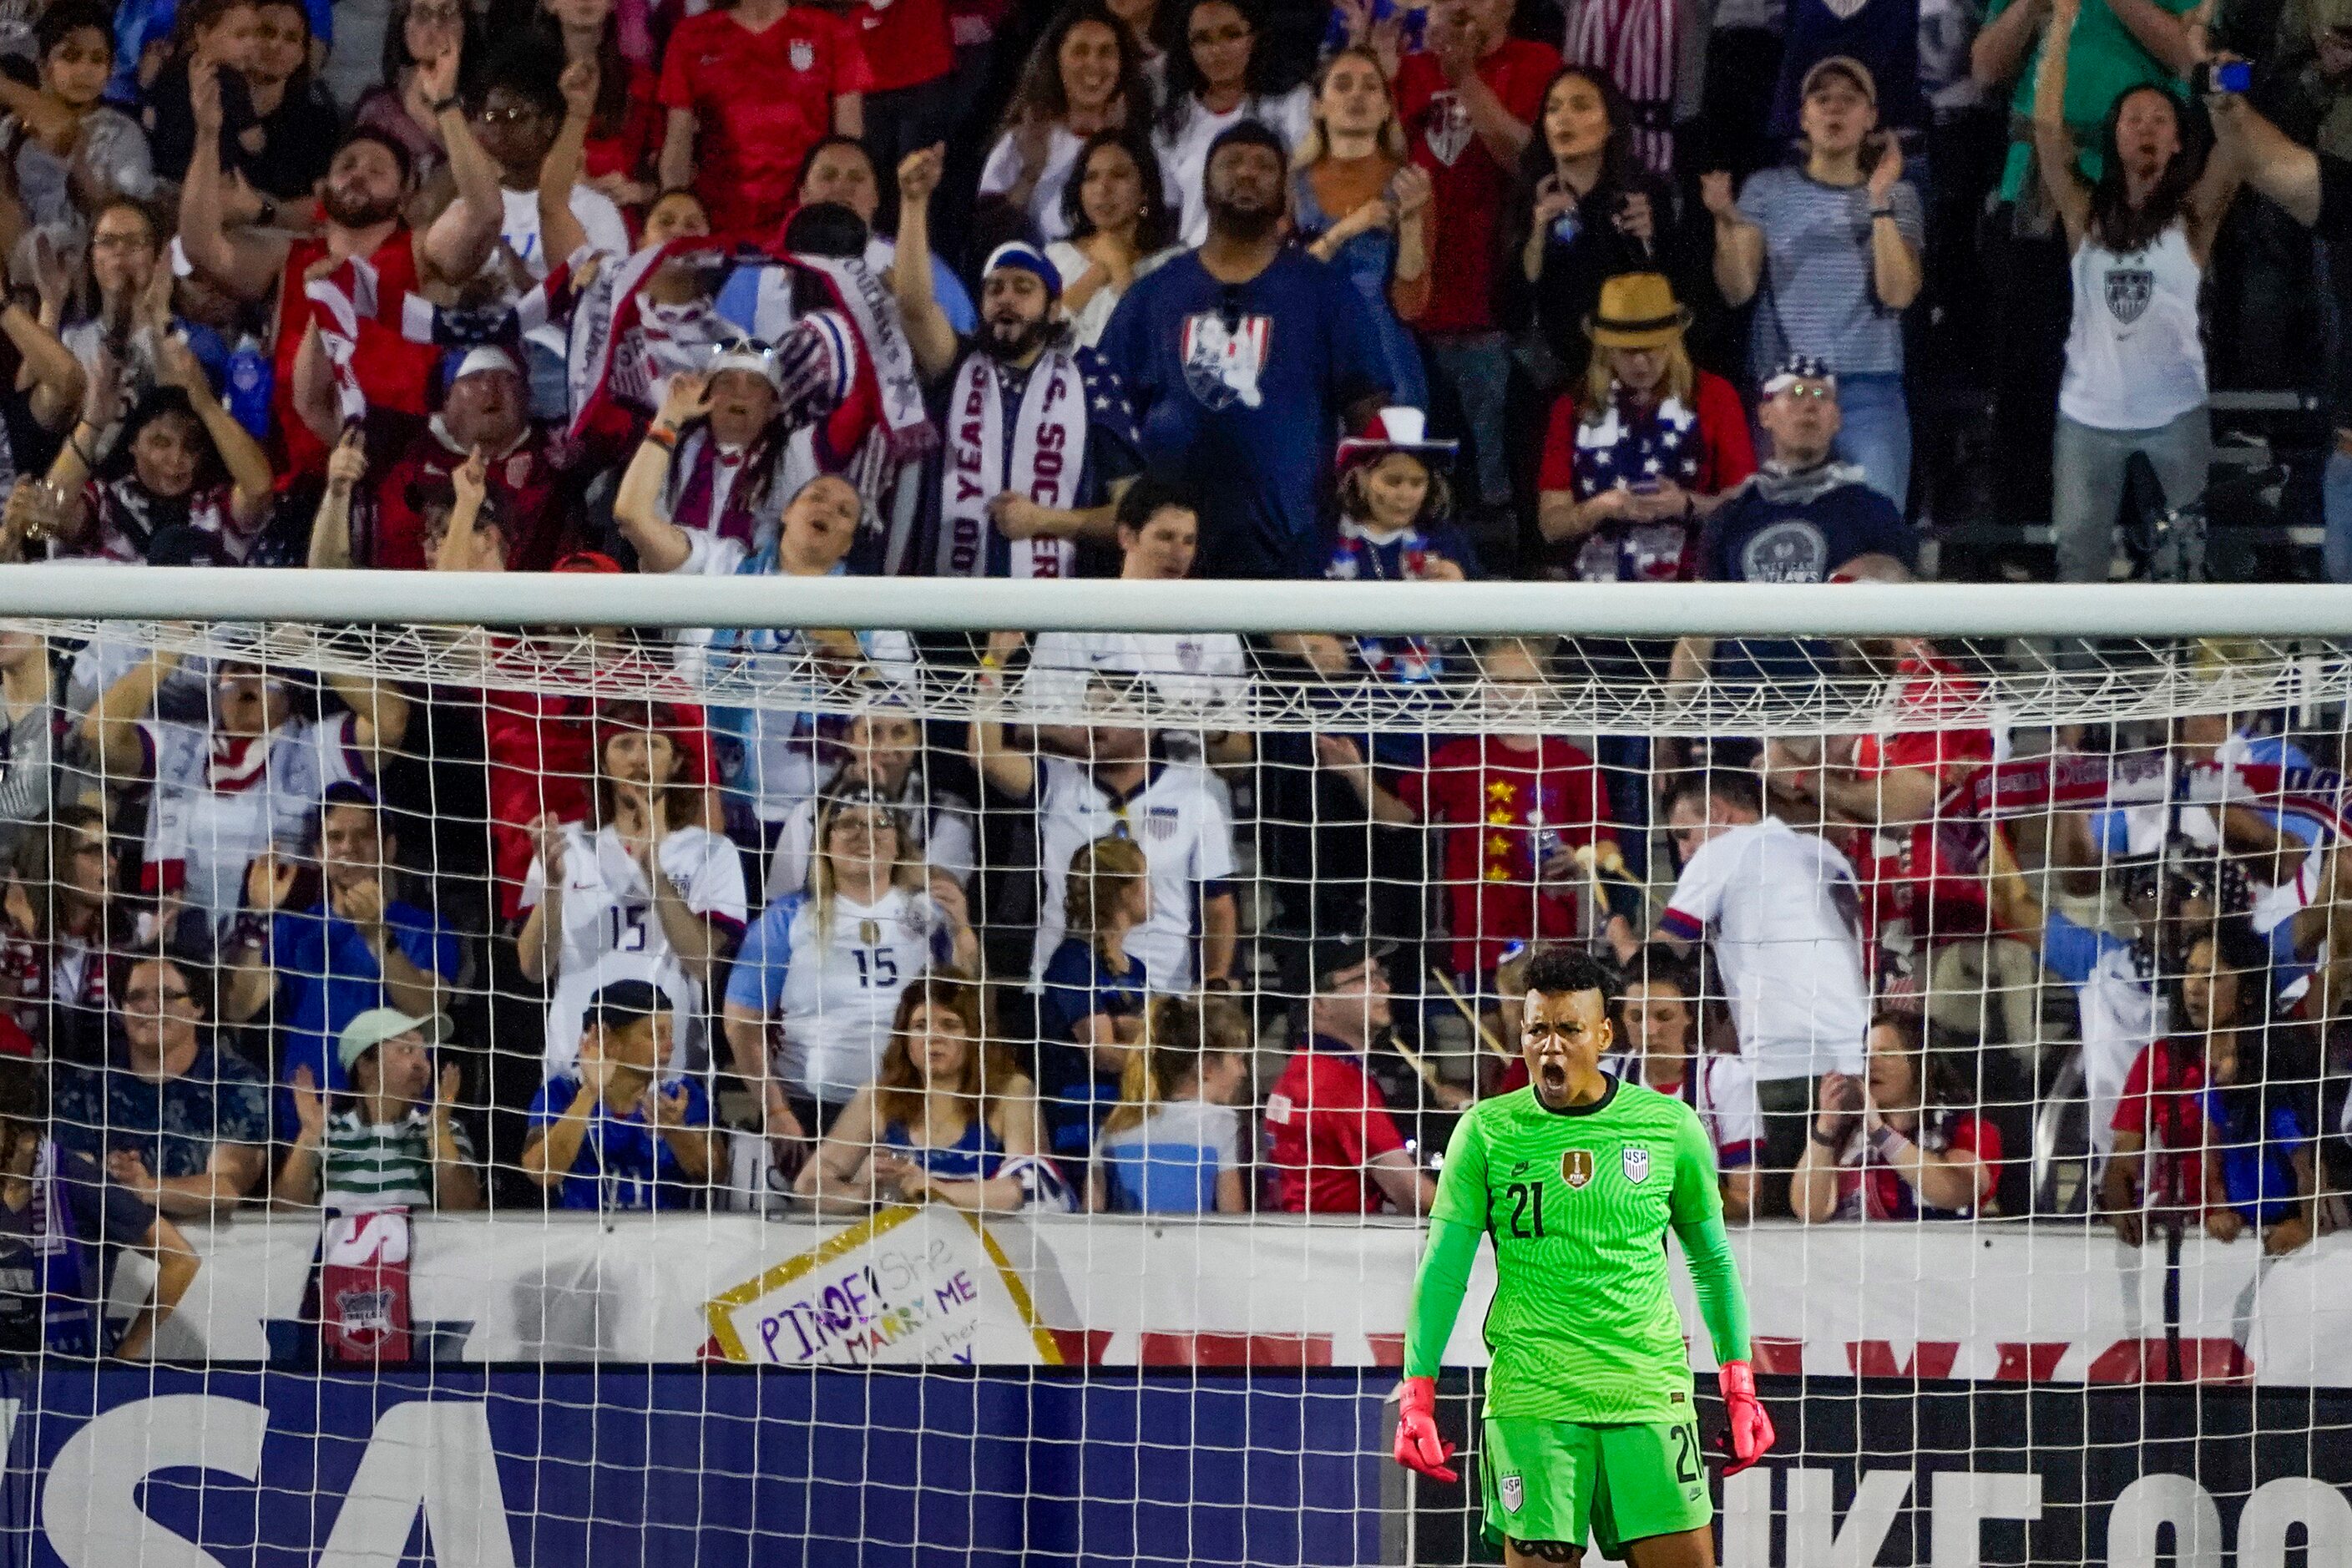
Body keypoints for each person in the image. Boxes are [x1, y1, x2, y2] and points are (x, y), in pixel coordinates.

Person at [1393, 945, 1774, 1568]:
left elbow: (1711, 1261)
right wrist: (1416, 1393)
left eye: (1568, 1029)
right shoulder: (1487, 1130)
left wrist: (1738, 1385)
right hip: (1532, 1404)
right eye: (1536, 1029)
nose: (1550, 1046)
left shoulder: (1667, 1125)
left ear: (1603, 1032)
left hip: (1648, 1396)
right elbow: (1442, 1268)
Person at [179, 51, 504, 485]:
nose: (358, 176)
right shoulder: (289, 257)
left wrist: (445, 105)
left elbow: (484, 214)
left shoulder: (420, 251)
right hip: (300, 482)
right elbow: (201, 246)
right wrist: (207, 134)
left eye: (377, 171)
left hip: (393, 479)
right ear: (322, 189)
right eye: (347, 166)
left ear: (406, 195)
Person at [1099, 119, 1390, 579]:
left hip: (1293, 553)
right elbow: (1108, 413)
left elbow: (1367, 411)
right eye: (1232, 163)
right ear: (1205, 183)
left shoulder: (1325, 292)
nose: (1247, 174)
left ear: (1284, 192)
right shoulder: (1154, 294)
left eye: (1263, 166)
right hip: (1173, 558)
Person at [2033, 0, 2237, 584]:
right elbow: (2046, 130)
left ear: (2178, 141)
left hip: (2175, 415)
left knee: (2187, 562)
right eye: (2133, 119)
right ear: (2113, 136)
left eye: (2158, 120)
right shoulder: (2083, 213)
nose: (2145, 127)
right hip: (2086, 418)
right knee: (2077, 559)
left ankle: (2182, 676)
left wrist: (2215, 66)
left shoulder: (2194, 215)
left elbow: (2240, 134)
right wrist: (2063, 27)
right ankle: (2072, 678)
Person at [895, 157, 1146, 578]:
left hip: (1051, 620)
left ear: (1052, 309)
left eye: (1023, 288)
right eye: (995, 289)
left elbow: (1131, 516)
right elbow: (915, 308)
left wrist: (1046, 522)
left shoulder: (1089, 375)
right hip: (948, 611)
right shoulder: (955, 363)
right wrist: (914, 203)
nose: (1006, 298)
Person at [1322, 638, 1616, 989]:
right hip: (1480, 939)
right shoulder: (1459, 758)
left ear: (1548, 689)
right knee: (1491, 1040)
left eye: (1523, 682)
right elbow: (1396, 818)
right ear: (1479, 690)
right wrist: (1357, 774)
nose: (1510, 693)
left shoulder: (1575, 765)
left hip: (1554, 938)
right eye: (1498, 683)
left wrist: (1580, 857)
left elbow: (1607, 848)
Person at [1705, 56, 1925, 508]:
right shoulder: (1767, 189)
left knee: (1875, 536)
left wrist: (1879, 200)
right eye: (1822, 100)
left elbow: (1898, 293)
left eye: (1849, 100)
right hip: (1786, 387)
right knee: (1773, 535)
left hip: (1867, 388)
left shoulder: (1899, 195)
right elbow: (1737, 290)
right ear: (1804, 117)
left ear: (1871, 118)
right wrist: (1726, 221)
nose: (1835, 110)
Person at [1655, 770, 1871, 1215]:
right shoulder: (1826, 853)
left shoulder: (1724, 851)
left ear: (1717, 812)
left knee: (1769, 1228)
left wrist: (1617, 939)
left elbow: (1658, 964)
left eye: (1684, 834)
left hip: (1782, 1073)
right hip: (1859, 1068)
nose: (1684, 851)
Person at [79, 650, 409, 933]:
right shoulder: (176, 744)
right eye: (236, 669)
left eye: (264, 668)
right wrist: (170, 650)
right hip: (176, 944)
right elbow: (98, 734)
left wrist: (313, 646)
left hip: (284, 949)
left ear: (291, 685)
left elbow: (391, 721)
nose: (248, 680)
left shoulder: (319, 745)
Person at [721, 788, 976, 1152]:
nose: (864, 835)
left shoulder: (931, 914)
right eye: (849, 824)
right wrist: (775, 1109)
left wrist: (963, 930)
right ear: (824, 843)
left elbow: (970, 1004)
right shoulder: (788, 918)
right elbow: (741, 1023)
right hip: (809, 1111)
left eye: (879, 824)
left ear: (899, 843)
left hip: (907, 1109)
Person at [1392, 0, 1559, 522]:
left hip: (1493, 305)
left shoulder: (1536, 62)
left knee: (1497, 487)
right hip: (1412, 309)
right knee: (1418, 482)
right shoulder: (1409, 66)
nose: (1460, 4)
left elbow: (1526, 159)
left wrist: (1464, 78)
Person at [969, 678, 1238, 994]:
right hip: (1060, 986)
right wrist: (993, 666)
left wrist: (1216, 976)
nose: (1094, 721)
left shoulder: (1194, 797)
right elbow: (984, 755)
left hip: (1160, 991)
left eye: (1110, 710)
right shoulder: (1057, 783)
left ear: (1148, 727)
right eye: (1089, 710)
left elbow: (1219, 905)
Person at [517, 718, 747, 1074]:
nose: (639, 758)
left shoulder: (712, 852)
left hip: (672, 1073)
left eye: (653, 744)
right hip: (576, 1066)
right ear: (603, 762)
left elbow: (703, 963)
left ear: (675, 763)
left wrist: (653, 875)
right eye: (624, 744)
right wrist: (552, 887)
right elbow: (533, 969)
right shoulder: (564, 845)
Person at [1673, 358, 1913, 685]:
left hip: (1836, 718)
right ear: (1765, 414)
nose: (1810, 405)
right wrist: (1672, 732)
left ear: (1837, 419)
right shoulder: (1731, 517)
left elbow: (1899, 640)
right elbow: (1697, 638)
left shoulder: (1873, 513)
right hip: (1738, 719)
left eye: (1822, 396)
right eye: (1797, 392)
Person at [222, 781, 463, 1100]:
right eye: (335, 837)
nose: (348, 847)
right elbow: (237, 1007)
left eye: (363, 835)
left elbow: (429, 1007)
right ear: (319, 853)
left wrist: (378, 936)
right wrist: (259, 918)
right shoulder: (294, 927)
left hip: (392, 1123)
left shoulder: (425, 927)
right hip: (305, 1121)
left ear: (388, 848)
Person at [1536, 271, 1754, 581]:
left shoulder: (1714, 396)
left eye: (1651, 348)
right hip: (1595, 588)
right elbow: (1550, 524)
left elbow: (1745, 507)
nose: (1640, 363)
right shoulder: (1572, 407)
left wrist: (1685, 504)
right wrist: (1600, 508)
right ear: (1606, 349)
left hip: (1691, 585)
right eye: (1627, 351)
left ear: (1672, 343)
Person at [795, 974, 1053, 1214]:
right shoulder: (879, 1096)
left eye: (950, 1025)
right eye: (920, 1025)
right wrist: (868, 1194)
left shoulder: (1011, 1092)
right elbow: (808, 1185)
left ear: (977, 1035)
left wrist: (929, 1189)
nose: (933, 1037)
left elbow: (1023, 1190)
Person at [12, 334, 275, 567]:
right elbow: (45, 518)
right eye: (161, 442)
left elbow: (259, 487)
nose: (177, 459)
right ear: (132, 445)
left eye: (191, 447)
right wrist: (92, 423)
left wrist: (205, 403)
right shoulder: (106, 500)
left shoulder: (216, 507)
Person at [0, 1055, 200, 1361]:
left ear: (19, 1130)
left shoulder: (76, 1180)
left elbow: (181, 1261)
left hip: (69, 1376)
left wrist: (128, 1353)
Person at [1503, 66, 1682, 393]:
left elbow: (1675, 290)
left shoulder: (1642, 195)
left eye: (1581, 106)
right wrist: (1538, 233)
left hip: (1625, 379)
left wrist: (1650, 241)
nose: (1563, 119)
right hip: (1545, 381)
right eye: (1553, 109)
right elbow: (1510, 309)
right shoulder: (1527, 196)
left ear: (1611, 123)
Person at [53, 954, 270, 1220]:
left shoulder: (235, 1083)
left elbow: (228, 1186)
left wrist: (148, 1188)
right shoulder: (85, 1088)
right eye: (136, 996)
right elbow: (69, 1184)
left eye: (166, 996)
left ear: (198, 1007)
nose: (150, 1007)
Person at [2102, 922, 2267, 1247]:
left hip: (2264, 1229)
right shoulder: (2160, 1060)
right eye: (2190, 973)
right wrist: (2122, 1208)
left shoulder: (2273, 1057)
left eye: (2211, 977)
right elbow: (2121, 1164)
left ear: (2248, 988)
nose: (2193, 987)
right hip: (2187, 1233)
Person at [655, 0, 870, 246]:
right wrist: (672, 214)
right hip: (718, 222)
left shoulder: (830, 31)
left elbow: (850, 143)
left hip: (806, 223)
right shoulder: (691, 36)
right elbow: (677, 143)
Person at [1292, 49, 1433, 412]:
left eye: (1371, 87)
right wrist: (1348, 229)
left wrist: (1412, 222)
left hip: (1386, 359)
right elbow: (1284, 284)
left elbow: (1411, 305)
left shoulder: (1410, 184)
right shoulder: (1290, 186)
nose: (1356, 95)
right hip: (1310, 352)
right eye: (1342, 85)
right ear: (1318, 106)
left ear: (1387, 109)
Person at [1262, 940, 1438, 1214]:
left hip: (1303, 1240)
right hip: (1341, 1246)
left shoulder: (1300, 1070)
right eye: (1365, 978)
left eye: (1380, 975)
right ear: (1319, 1004)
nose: (1384, 987)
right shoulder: (1339, 1084)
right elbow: (1415, 1197)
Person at [366, 345, 574, 571]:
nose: (490, 389)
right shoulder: (411, 470)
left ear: (526, 395)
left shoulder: (555, 462)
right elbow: (400, 559)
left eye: (506, 379)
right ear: (446, 400)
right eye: (474, 378)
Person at [520, 979, 717, 1210]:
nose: (670, 1045)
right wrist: (590, 1094)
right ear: (610, 1040)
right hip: (583, 1239)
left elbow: (715, 1175)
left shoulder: (681, 1093)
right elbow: (540, 1172)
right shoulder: (562, 1092)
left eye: (670, 1033)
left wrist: (677, 1133)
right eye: (656, 1035)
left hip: (664, 1239)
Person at [1792, 1010, 2003, 1221]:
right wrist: (1826, 1127)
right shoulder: (1846, 1132)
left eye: (1886, 1053)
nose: (1871, 1063)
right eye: (1866, 1054)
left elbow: (1957, 1191)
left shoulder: (1965, 1129)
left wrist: (1882, 1134)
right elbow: (1809, 1211)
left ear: (1923, 1063)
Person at [979, 1, 1156, 245]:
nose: (1093, 64)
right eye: (1080, 51)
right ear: (1057, 61)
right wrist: (1030, 174)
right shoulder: (1025, 139)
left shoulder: (1146, 138)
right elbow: (987, 237)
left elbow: (1157, 219)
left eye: (1106, 52)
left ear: (1122, 64)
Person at [1605, 948, 1762, 1222]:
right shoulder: (1604, 1080)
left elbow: (1746, 1201)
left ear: (1689, 1014)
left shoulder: (1727, 1079)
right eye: (1636, 1017)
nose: (1650, 1030)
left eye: (1664, 1017)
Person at [277, 1007, 482, 1211]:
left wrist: (439, 1130)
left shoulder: (444, 1130)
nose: (422, 1064)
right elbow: (284, 1217)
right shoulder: (329, 1132)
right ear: (364, 1065)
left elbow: (466, 1214)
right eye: (407, 1050)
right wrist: (309, 1136)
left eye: (425, 1054)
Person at [762, 706, 977, 898]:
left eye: (900, 733)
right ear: (849, 740)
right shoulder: (809, 813)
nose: (886, 747)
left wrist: (883, 805)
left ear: (918, 739)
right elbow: (784, 900)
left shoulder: (947, 812)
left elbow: (941, 896)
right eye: (873, 733)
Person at [1151, 0, 1312, 246]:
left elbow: (1308, 184)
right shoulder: (1172, 122)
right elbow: (1169, 209)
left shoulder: (1293, 102)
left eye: (1231, 35)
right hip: (1197, 260)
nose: (1217, 50)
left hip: (1276, 254)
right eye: (1203, 39)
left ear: (1254, 38)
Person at [1036, 833, 1154, 1160]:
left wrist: (1133, 1033)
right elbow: (1102, 1053)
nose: (1152, 891)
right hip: (1081, 1123)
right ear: (1125, 891)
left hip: (1125, 1116)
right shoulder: (1073, 961)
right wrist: (1163, 1060)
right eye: (1146, 880)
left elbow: (1142, 1034)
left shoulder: (1137, 969)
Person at [0, 1, 157, 242]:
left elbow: (135, 218)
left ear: (110, 69)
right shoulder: (11, 129)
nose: (85, 70)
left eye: (97, 60)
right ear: (43, 65)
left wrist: (80, 168)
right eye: (70, 57)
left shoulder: (120, 133)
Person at [1089, 992, 1250, 1212]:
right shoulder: (1219, 1123)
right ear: (1207, 1066)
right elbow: (1232, 1219)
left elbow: (1090, 1215)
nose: (1243, 1072)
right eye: (1238, 1059)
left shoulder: (1115, 1125)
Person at [1045, 129, 1183, 351]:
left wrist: (1120, 268)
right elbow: (1034, 338)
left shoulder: (1172, 265)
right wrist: (1095, 275)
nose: (1103, 188)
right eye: (1091, 177)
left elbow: (1160, 344)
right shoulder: (1055, 257)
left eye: (1119, 175)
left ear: (1145, 190)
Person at [538, 0, 660, 210]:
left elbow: (671, 175)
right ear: (549, 4)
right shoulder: (527, 82)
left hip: (622, 215)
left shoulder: (640, 83)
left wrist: (642, 191)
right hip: (547, 215)